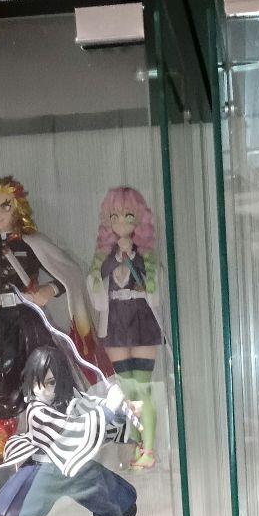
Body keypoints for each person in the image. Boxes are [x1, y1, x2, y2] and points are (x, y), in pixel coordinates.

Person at [0, 176, 99, 472]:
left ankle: (48, 449)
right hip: (0, 324)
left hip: (31, 321)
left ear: (17, 207)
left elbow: (69, 273)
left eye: (5, 206)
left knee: (43, 382)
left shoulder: (33, 243)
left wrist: (49, 289)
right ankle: (6, 453)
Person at [0, 340, 149, 516]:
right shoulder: (36, 411)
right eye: (38, 381)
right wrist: (106, 412)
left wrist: (120, 410)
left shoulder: (72, 399)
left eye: (51, 382)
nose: (43, 389)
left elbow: (94, 415)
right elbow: (69, 431)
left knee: (118, 499)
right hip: (44, 471)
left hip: (77, 468)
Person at [87, 187, 163, 469]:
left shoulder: (146, 255)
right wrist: (114, 259)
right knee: (127, 391)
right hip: (116, 323)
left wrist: (134, 257)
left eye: (128, 216)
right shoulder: (103, 256)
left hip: (142, 320)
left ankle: (149, 449)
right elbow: (94, 287)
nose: (120, 222)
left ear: (139, 218)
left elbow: (156, 287)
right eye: (114, 216)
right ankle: (138, 443)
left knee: (143, 389)